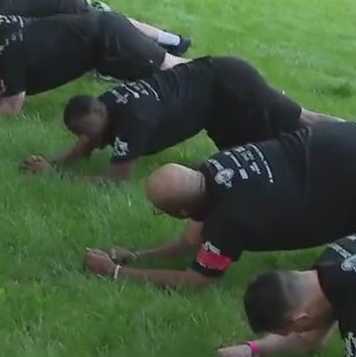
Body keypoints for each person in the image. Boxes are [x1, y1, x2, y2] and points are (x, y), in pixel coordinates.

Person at [82, 122, 356, 290]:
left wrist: (115, 272)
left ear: (182, 212)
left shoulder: (232, 217)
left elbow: (197, 280)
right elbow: (193, 239)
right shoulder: (215, 167)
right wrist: (139, 255)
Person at [23, 56, 340, 181]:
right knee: (250, 161)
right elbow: (89, 141)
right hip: (215, 91)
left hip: (231, 86)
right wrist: (55, 162)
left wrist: (54, 176)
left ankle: (345, 138)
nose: (90, 140)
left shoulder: (134, 120)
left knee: (297, 129)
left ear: (98, 112)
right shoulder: (105, 104)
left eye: (90, 132)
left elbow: (115, 180)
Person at [0, 5, 189, 115]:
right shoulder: (3, 47)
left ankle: (206, 75)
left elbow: (11, 108)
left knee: (170, 68)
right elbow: (5, 95)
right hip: (101, 29)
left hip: (108, 39)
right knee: (156, 81)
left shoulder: (7, 61)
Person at [0, 0, 192, 55]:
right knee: (120, 24)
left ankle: (171, 45)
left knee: (120, 31)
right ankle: (173, 41)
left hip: (64, 6)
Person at [216, 235, 356, 357]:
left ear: (302, 319)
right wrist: (251, 348)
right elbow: (306, 339)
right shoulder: (335, 256)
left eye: (290, 331)